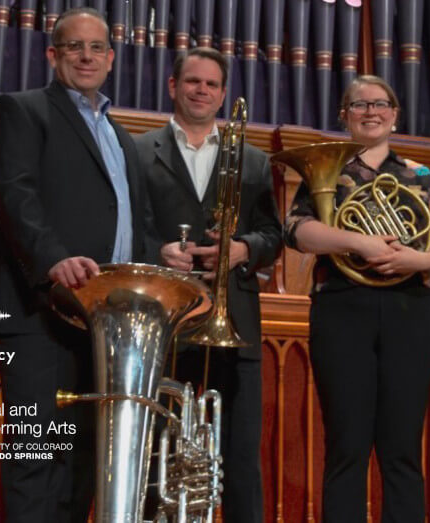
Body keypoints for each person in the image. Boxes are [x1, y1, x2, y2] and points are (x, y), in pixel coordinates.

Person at [0, 8, 161, 522]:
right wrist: (53, 260)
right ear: (52, 55)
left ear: (111, 58)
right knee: (37, 458)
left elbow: (134, 221)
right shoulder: (22, 109)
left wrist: (159, 257)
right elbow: (15, 194)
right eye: (74, 47)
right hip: (38, 314)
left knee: (83, 463)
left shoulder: (122, 138)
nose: (86, 56)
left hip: (101, 322)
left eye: (96, 47)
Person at [284, 75, 430, 522]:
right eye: (358, 104)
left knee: (402, 449)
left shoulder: (419, 175)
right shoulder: (326, 167)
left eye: (380, 104)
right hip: (342, 308)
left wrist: (417, 263)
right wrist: (359, 243)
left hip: (409, 309)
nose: (370, 112)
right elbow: (297, 230)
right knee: (346, 446)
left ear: (395, 115)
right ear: (343, 115)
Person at [135, 46, 282, 523]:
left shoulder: (255, 161)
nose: (201, 90)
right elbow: (126, 226)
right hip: (164, 320)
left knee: (240, 456)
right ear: (173, 87)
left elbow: (273, 235)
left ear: (223, 95)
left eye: (211, 84)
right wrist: (157, 250)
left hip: (233, 323)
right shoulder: (136, 151)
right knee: (158, 449)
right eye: (192, 81)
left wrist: (243, 249)